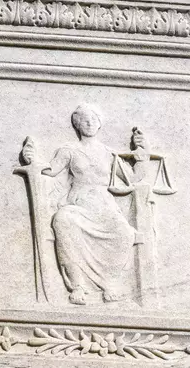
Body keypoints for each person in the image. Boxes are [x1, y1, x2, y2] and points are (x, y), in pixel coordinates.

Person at [36, 104, 136, 305]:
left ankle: (109, 282)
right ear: (77, 125)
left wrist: (142, 155)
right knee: (63, 219)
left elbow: (131, 178)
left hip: (105, 206)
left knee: (124, 233)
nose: (89, 123)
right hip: (79, 203)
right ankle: (78, 285)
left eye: (93, 119)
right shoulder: (69, 150)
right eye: (84, 120)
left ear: (99, 124)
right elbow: (51, 170)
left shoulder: (109, 154)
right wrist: (33, 160)